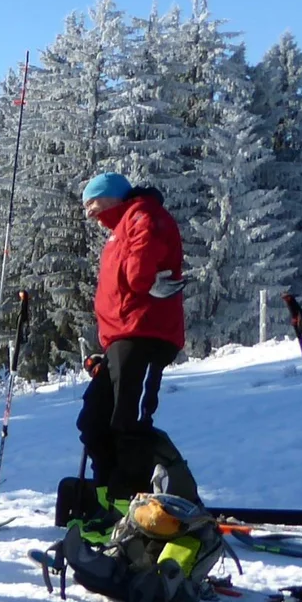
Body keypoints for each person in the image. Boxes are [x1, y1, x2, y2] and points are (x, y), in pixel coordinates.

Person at [76, 172, 185, 522]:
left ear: (111, 197)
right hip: (121, 338)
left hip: (145, 333)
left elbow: (139, 270)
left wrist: (142, 280)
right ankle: (107, 497)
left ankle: (128, 508)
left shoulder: (143, 215)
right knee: (94, 419)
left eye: (92, 201)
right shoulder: (120, 230)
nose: (89, 211)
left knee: (128, 422)